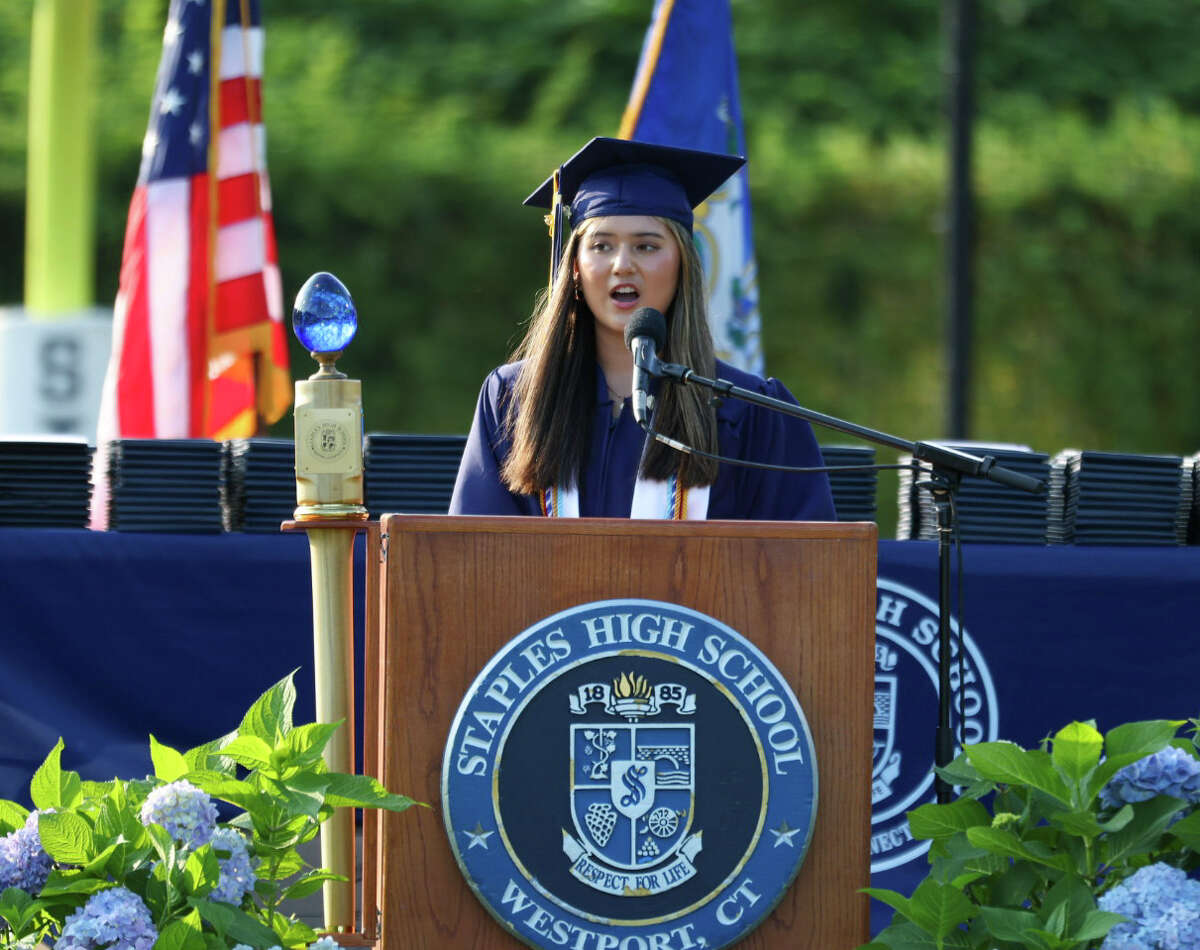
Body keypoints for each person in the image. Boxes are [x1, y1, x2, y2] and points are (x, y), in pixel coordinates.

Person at [449, 137, 836, 521]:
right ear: (576, 270)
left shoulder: (748, 410)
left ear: (683, 265)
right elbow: (472, 556)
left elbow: (803, 565)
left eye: (646, 246)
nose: (622, 265)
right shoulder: (514, 400)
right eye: (601, 246)